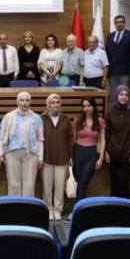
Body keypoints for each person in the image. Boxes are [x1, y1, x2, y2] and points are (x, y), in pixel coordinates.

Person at [0, 92, 44, 197]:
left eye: (27, 100)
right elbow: (1, 137)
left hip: (31, 154)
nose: (24, 103)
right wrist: (0, 154)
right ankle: (14, 206)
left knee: (29, 185)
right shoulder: (8, 116)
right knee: (13, 184)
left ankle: (27, 207)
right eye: (22, 100)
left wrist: (41, 158)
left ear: (30, 102)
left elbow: (40, 139)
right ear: (17, 101)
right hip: (12, 153)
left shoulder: (37, 118)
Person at [70, 96, 106, 220]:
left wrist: (101, 158)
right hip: (78, 152)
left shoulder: (100, 121)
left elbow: (102, 140)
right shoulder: (78, 120)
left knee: (83, 182)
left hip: (91, 153)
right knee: (79, 180)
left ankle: (76, 211)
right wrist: (71, 156)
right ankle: (81, 209)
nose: (87, 108)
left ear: (94, 106)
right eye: (84, 106)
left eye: (89, 106)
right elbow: (73, 140)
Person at [104, 85, 130, 199]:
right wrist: (106, 151)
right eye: (121, 94)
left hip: (128, 153)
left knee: (124, 183)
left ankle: (126, 206)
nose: (124, 97)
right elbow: (107, 133)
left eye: (126, 95)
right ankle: (114, 206)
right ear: (117, 95)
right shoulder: (110, 112)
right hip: (113, 152)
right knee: (114, 182)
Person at [41, 93, 73, 221]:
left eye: (58, 102)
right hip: (46, 156)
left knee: (60, 185)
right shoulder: (42, 118)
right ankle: (48, 209)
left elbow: (70, 138)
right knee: (47, 186)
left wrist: (71, 156)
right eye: (53, 102)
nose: (55, 105)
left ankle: (58, 210)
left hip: (63, 157)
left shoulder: (66, 119)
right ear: (48, 104)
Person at [106, 15, 130, 100]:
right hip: (112, 71)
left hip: (125, 71)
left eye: (121, 22)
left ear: (125, 23)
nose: (119, 24)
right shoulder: (110, 36)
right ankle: (114, 109)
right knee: (113, 93)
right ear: (114, 24)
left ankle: (125, 109)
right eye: (117, 22)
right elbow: (107, 53)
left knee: (124, 93)